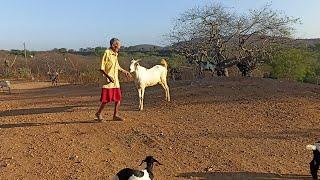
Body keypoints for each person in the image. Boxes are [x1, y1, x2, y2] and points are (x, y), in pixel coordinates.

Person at [95, 38, 131, 121]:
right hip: (108, 81)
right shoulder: (107, 53)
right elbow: (101, 68)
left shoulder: (115, 54)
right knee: (106, 99)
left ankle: (115, 115)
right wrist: (108, 77)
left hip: (115, 80)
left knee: (118, 98)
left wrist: (124, 71)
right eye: (118, 45)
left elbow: (117, 66)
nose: (119, 47)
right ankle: (98, 113)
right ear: (113, 45)